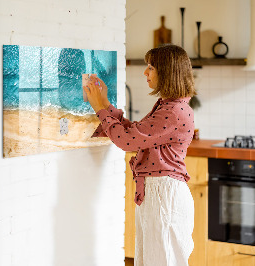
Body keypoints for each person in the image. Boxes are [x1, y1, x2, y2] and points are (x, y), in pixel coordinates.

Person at [84, 44, 196, 266]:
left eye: (151, 67)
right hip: (159, 193)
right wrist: (106, 104)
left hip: (164, 195)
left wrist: (99, 108)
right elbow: (135, 133)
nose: (145, 72)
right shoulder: (169, 106)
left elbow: (127, 141)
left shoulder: (173, 111)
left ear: (167, 72)